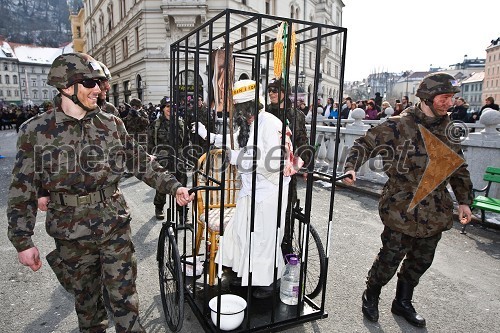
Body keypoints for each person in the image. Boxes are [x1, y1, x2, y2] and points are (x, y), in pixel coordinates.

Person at [7, 52, 193, 333]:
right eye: (90, 82)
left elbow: (139, 161)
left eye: (100, 82)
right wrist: (23, 241)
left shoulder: (110, 123)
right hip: (70, 236)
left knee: (126, 305)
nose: (98, 88)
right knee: (88, 311)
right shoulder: (36, 131)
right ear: (67, 86)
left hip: (113, 226)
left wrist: (174, 186)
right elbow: (22, 188)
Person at [342, 72, 473, 328]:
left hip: (435, 210)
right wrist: (351, 166)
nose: (450, 102)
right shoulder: (398, 124)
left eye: (452, 98)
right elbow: (363, 144)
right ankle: (372, 294)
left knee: (421, 261)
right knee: (389, 259)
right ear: (428, 96)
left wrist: (465, 201)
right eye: (445, 97)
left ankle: (402, 301)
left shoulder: (449, 129)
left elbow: (458, 168)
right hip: (401, 208)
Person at [193, 79, 302, 298]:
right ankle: (245, 274)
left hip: (267, 193)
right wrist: (208, 135)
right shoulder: (252, 124)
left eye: (241, 109)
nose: (240, 115)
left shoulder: (269, 123)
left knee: (263, 237)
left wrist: (236, 158)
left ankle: (266, 282)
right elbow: (233, 141)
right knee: (243, 232)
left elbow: (273, 161)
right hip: (251, 191)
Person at [265, 77, 311, 256]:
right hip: (266, 170)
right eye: (269, 90)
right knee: (265, 210)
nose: (271, 93)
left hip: (286, 173)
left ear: (285, 92)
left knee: (287, 210)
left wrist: (305, 166)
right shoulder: (265, 113)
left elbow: (303, 142)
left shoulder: (296, 115)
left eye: (275, 90)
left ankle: (285, 247)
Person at [148, 97, 187, 220]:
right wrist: (151, 157)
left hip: (179, 159)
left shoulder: (181, 123)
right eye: (167, 106)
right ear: (163, 108)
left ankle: (182, 212)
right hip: (163, 158)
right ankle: (159, 207)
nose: (170, 109)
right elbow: (150, 142)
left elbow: (186, 141)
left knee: (181, 184)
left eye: (173, 107)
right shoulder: (156, 125)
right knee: (162, 183)